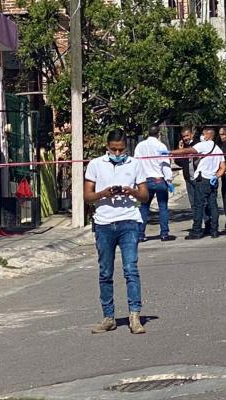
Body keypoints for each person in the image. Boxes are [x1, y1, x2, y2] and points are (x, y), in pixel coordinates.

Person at [84, 129, 149, 334]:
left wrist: (131, 191)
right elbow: (87, 196)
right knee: (105, 272)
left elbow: (145, 196)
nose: (118, 153)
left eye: (121, 149)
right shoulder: (95, 165)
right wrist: (103, 193)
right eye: (114, 150)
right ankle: (108, 317)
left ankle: (135, 316)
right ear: (107, 147)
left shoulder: (135, 164)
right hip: (104, 224)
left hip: (128, 221)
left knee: (131, 269)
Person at [165, 127, 226, 239]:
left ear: (208, 136)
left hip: (202, 179)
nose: (201, 136)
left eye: (203, 134)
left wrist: (170, 152)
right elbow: (223, 167)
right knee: (213, 206)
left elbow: (187, 151)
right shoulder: (218, 149)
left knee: (198, 206)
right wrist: (216, 176)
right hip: (212, 180)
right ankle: (214, 230)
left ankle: (196, 231)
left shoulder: (205, 145)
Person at [134, 125, 174, 242]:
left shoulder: (140, 146)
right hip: (159, 179)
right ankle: (164, 234)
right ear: (159, 134)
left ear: (148, 133)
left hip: (145, 180)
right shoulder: (161, 146)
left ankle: (140, 234)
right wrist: (169, 179)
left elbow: (136, 163)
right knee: (163, 207)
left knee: (144, 208)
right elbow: (165, 164)